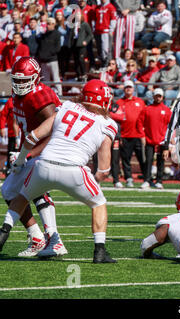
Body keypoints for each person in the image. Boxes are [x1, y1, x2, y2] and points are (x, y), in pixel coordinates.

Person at [0, 79, 117, 263]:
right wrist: (95, 180)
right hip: (74, 169)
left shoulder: (67, 107)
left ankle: (3, 233)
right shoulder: (108, 123)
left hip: (44, 165)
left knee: (22, 197)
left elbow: (33, 136)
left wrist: (21, 159)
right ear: (102, 100)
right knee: (98, 203)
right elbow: (104, 167)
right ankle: (100, 251)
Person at [0, 57, 66, 258]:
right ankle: (37, 237)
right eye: (17, 80)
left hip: (49, 148)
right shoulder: (19, 94)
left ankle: (54, 239)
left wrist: (30, 154)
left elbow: (56, 130)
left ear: (36, 78)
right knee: (9, 190)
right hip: (30, 149)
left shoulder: (39, 96)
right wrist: (20, 153)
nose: (19, 84)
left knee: (35, 188)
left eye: (24, 80)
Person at [110, 81, 146, 188]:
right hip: (125, 135)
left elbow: (144, 117)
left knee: (142, 158)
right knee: (126, 159)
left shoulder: (140, 101)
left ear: (133, 89)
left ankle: (146, 178)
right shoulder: (119, 102)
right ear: (123, 89)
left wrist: (143, 132)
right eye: (126, 87)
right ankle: (128, 178)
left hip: (138, 134)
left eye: (130, 87)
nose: (128, 89)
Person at [138, 88, 171, 190]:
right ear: (153, 96)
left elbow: (170, 126)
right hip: (149, 139)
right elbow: (139, 122)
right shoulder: (147, 109)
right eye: (156, 95)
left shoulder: (166, 110)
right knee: (148, 161)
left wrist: (169, 141)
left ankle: (159, 181)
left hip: (162, 140)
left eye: (160, 96)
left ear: (162, 97)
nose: (158, 98)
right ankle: (147, 180)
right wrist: (142, 136)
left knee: (161, 161)